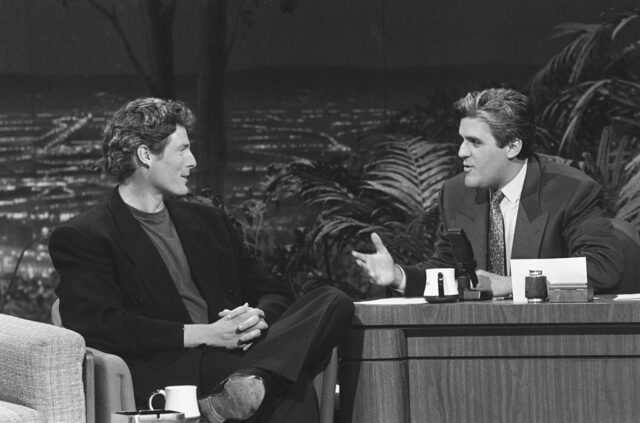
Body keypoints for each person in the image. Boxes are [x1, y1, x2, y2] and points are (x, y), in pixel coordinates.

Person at [49, 97, 354, 423]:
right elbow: (100, 325)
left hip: (240, 355)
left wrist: (256, 316)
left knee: (333, 301)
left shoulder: (207, 221)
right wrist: (207, 333)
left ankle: (248, 384)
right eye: (182, 150)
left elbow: (272, 289)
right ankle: (248, 386)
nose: (193, 161)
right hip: (172, 366)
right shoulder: (85, 235)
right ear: (145, 155)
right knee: (293, 387)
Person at [353, 87, 626, 297]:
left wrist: (510, 284)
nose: (461, 152)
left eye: (474, 142)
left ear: (512, 147)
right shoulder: (455, 192)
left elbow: (601, 268)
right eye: (462, 139)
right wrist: (399, 276)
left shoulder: (570, 190)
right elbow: (449, 268)